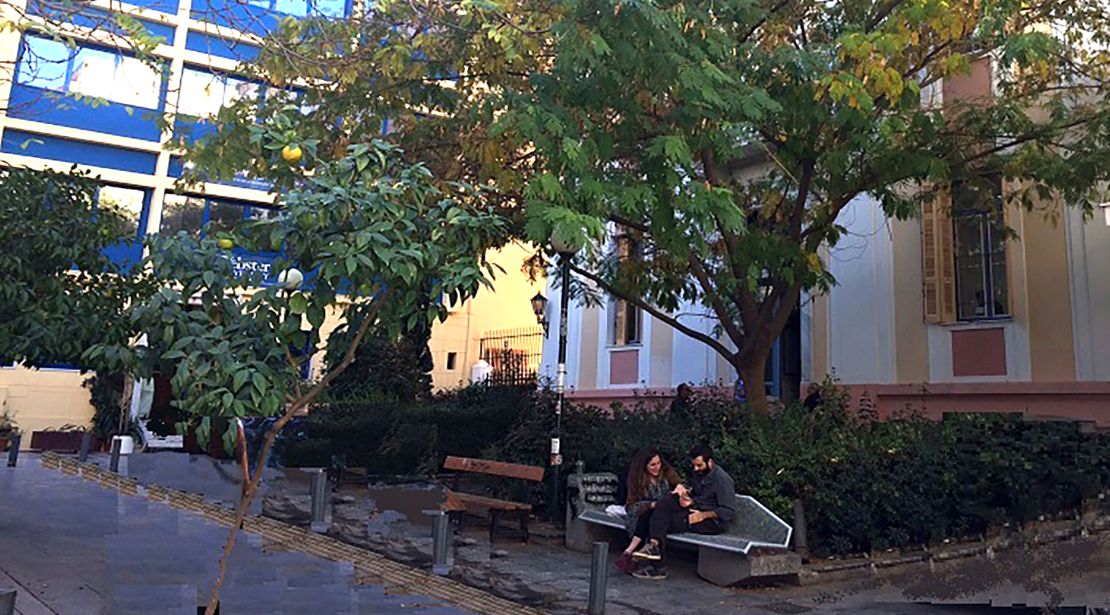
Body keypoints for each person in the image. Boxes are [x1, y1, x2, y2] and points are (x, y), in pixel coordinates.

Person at [631, 445, 736, 580]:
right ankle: (654, 545)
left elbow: (728, 512)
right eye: (694, 465)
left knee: (661, 520)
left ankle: (657, 566)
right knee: (662, 506)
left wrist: (702, 515)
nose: (695, 469)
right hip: (694, 509)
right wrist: (688, 499)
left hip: (711, 521)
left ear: (710, 462)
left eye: (699, 465)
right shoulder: (699, 474)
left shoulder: (722, 480)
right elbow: (699, 496)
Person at [614, 448, 681, 574]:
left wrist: (679, 488)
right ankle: (646, 561)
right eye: (652, 465)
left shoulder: (667, 473)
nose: (657, 468)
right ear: (644, 466)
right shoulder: (636, 478)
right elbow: (631, 505)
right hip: (647, 511)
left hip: (668, 512)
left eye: (658, 463)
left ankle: (629, 552)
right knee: (649, 516)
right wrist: (650, 505)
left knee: (654, 517)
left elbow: (679, 487)